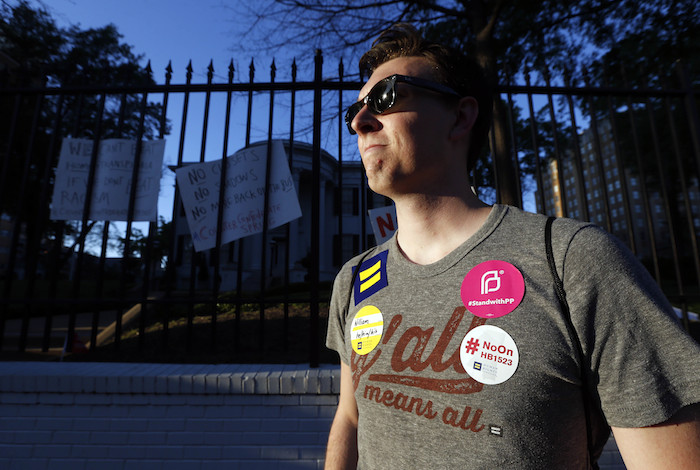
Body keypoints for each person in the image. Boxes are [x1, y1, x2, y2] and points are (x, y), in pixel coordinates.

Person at [324, 23, 700, 469]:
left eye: (387, 97)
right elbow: (350, 417)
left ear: (461, 117)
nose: (359, 120)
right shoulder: (353, 280)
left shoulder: (572, 261)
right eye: (357, 107)